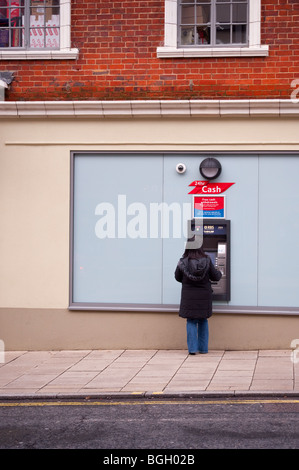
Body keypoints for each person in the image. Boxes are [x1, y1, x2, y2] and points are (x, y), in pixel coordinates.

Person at [175, 244, 222, 355]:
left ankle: (192, 350)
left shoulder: (183, 262)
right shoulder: (207, 260)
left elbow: (177, 277)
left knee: (191, 321)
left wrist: (187, 280)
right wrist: (219, 271)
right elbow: (215, 276)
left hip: (189, 296)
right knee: (203, 320)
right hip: (203, 296)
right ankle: (203, 349)